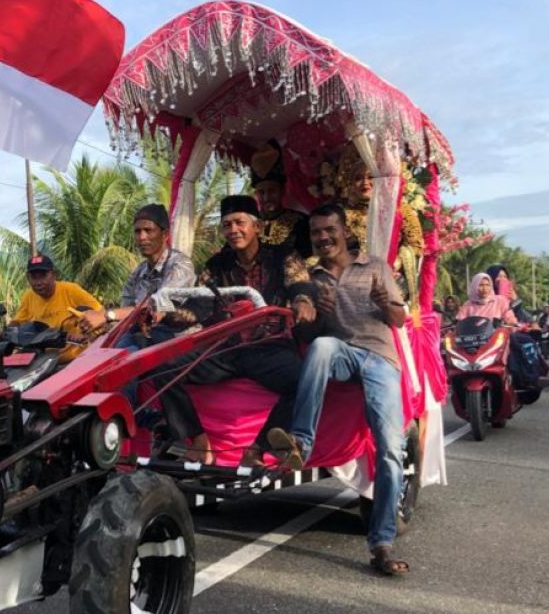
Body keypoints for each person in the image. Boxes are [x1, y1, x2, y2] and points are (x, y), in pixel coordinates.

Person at [265, 204, 410, 576]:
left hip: (380, 358)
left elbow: (399, 318)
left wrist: (384, 304)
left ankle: (381, 542)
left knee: (391, 449)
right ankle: (301, 442)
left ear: (345, 231)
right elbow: (309, 335)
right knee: (321, 346)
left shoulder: (375, 266)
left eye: (330, 230)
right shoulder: (312, 279)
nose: (324, 237)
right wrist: (322, 316)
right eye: (316, 232)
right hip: (341, 353)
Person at [150, 194, 315, 466]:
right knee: (164, 365)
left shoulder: (283, 256)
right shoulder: (217, 265)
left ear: (257, 227)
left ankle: (257, 448)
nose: (233, 230)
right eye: (227, 225)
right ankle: (197, 440)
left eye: (239, 222)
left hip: (270, 348)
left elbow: (301, 284)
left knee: (305, 380)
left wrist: (303, 302)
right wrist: (164, 315)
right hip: (226, 349)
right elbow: (198, 309)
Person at [79, 204, 196, 344]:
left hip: (179, 343)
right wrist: (97, 329)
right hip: (144, 340)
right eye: (137, 231)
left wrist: (106, 315)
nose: (142, 237)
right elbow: (125, 314)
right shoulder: (138, 273)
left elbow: (154, 307)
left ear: (165, 235)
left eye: (148, 230)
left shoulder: (180, 265)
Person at [456, 273, 549, 389]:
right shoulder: (468, 305)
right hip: (475, 342)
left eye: (487, 285)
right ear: (474, 286)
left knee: (517, 344)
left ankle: (528, 377)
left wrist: (511, 323)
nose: (484, 288)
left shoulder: (500, 301)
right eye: (480, 285)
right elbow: (459, 321)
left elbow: (509, 316)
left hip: (498, 338)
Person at [10, 255, 102, 362]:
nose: (39, 282)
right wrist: (5, 332)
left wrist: (84, 331)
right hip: (44, 361)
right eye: (34, 277)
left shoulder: (70, 290)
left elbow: (100, 312)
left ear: (53, 275)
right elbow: (19, 321)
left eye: (43, 276)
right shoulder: (29, 296)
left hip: (76, 358)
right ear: (28, 278)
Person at [250, 140, 312, 258]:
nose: (267, 197)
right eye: (261, 192)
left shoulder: (301, 222)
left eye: (272, 191)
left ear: (283, 190)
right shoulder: (248, 225)